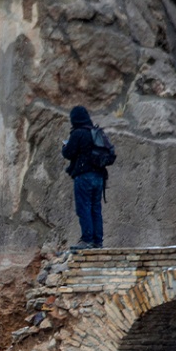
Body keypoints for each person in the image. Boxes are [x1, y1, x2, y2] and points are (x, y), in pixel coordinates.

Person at [62, 105, 105, 250]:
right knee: (95, 208)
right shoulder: (96, 132)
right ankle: (97, 241)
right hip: (99, 177)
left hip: (84, 176)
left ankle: (86, 240)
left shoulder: (78, 133)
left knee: (84, 207)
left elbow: (69, 153)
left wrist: (64, 147)